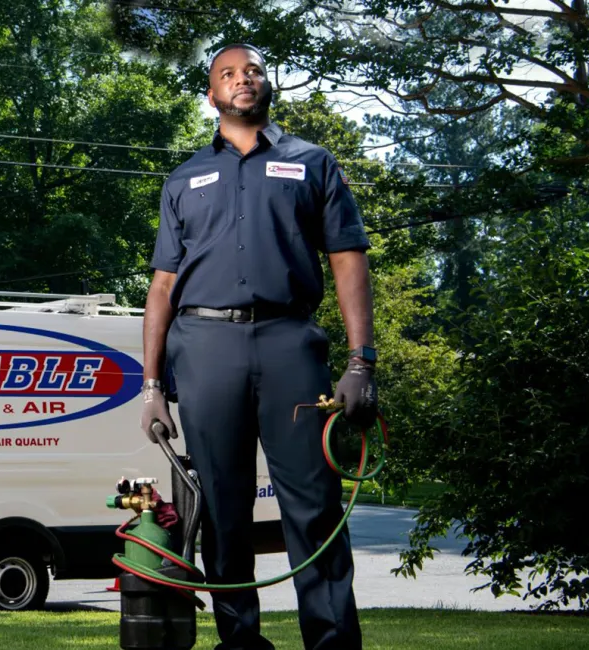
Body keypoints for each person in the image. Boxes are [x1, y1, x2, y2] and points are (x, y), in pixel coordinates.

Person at [139, 43, 379, 650]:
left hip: (289, 344)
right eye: (227, 74)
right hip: (203, 348)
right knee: (223, 509)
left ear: (268, 86)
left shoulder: (312, 163)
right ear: (212, 94)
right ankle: (239, 642)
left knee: (313, 503)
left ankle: (331, 643)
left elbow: (348, 259)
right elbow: (162, 286)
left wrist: (360, 362)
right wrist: (151, 387)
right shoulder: (184, 177)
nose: (241, 80)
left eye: (252, 72)